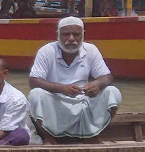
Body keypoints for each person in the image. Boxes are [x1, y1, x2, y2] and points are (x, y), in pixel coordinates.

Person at [28, 16, 121, 144]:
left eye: (76, 34)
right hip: (55, 100)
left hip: (83, 99)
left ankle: (91, 135)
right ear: (58, 35)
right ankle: (48, 137)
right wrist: (61, 88)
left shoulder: (91, 50)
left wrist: (96, 84)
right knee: (35, 94)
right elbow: (33, 81)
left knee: (112, 92)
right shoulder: (46, 51)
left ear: (83, 35)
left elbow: (107, 76)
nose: (71, 38)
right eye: (66, 34)